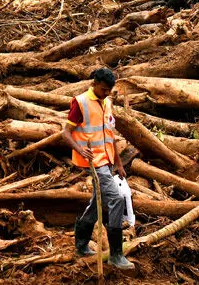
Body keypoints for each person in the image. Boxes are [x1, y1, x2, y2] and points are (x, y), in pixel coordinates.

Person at [62, 68, 134, 270]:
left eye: (109, 91)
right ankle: (116, 255)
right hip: (93, 161)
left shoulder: (107, 102)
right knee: (116, 199)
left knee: (98, 202)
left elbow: (109, 135)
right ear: (95, 83)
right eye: (104, 90)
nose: (106, 94)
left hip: (107, 159)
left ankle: (81, 245)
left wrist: (118, 163)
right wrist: (80, 150)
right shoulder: (80, 102)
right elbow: (65, 133)